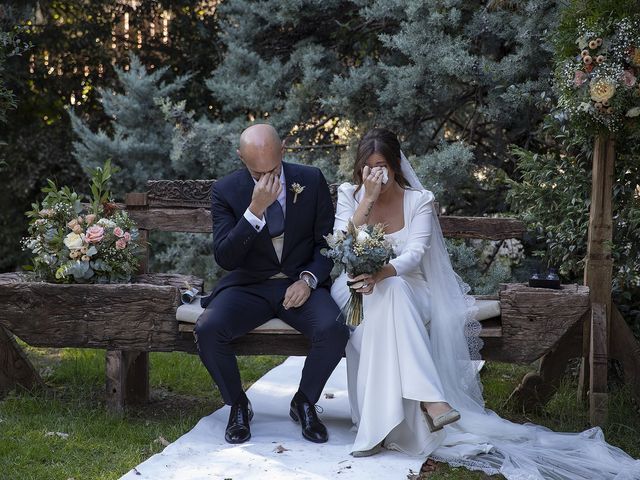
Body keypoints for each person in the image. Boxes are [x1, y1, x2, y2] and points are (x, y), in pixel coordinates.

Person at [331, 128, 640, 478]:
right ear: (360, 168)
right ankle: (431, 401)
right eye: (369, 167)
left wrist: (383, 272)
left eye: (383, 165)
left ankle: (378, 427)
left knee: (396, 290)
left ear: (396, 166)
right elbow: (340, 242)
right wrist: (366, 202)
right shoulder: (349, 194)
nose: (377, 175)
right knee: (390, 295)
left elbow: (415, 256)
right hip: (354, 288)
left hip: (409, 288)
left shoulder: (419, 200)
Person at [195, 124, 349, 445]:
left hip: (299, 283)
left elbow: (327, 245)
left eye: (274, 169)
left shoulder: (310, 180)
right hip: (248, 285)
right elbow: (225, 257)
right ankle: (237, 403)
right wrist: (255, 210)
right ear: (241, 158)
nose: (267, 178)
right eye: (256, 171)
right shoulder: (226, 191)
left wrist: (308, 280)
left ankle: (304, 401)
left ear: (283, 151)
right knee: (208, 329)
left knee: (334, 329)